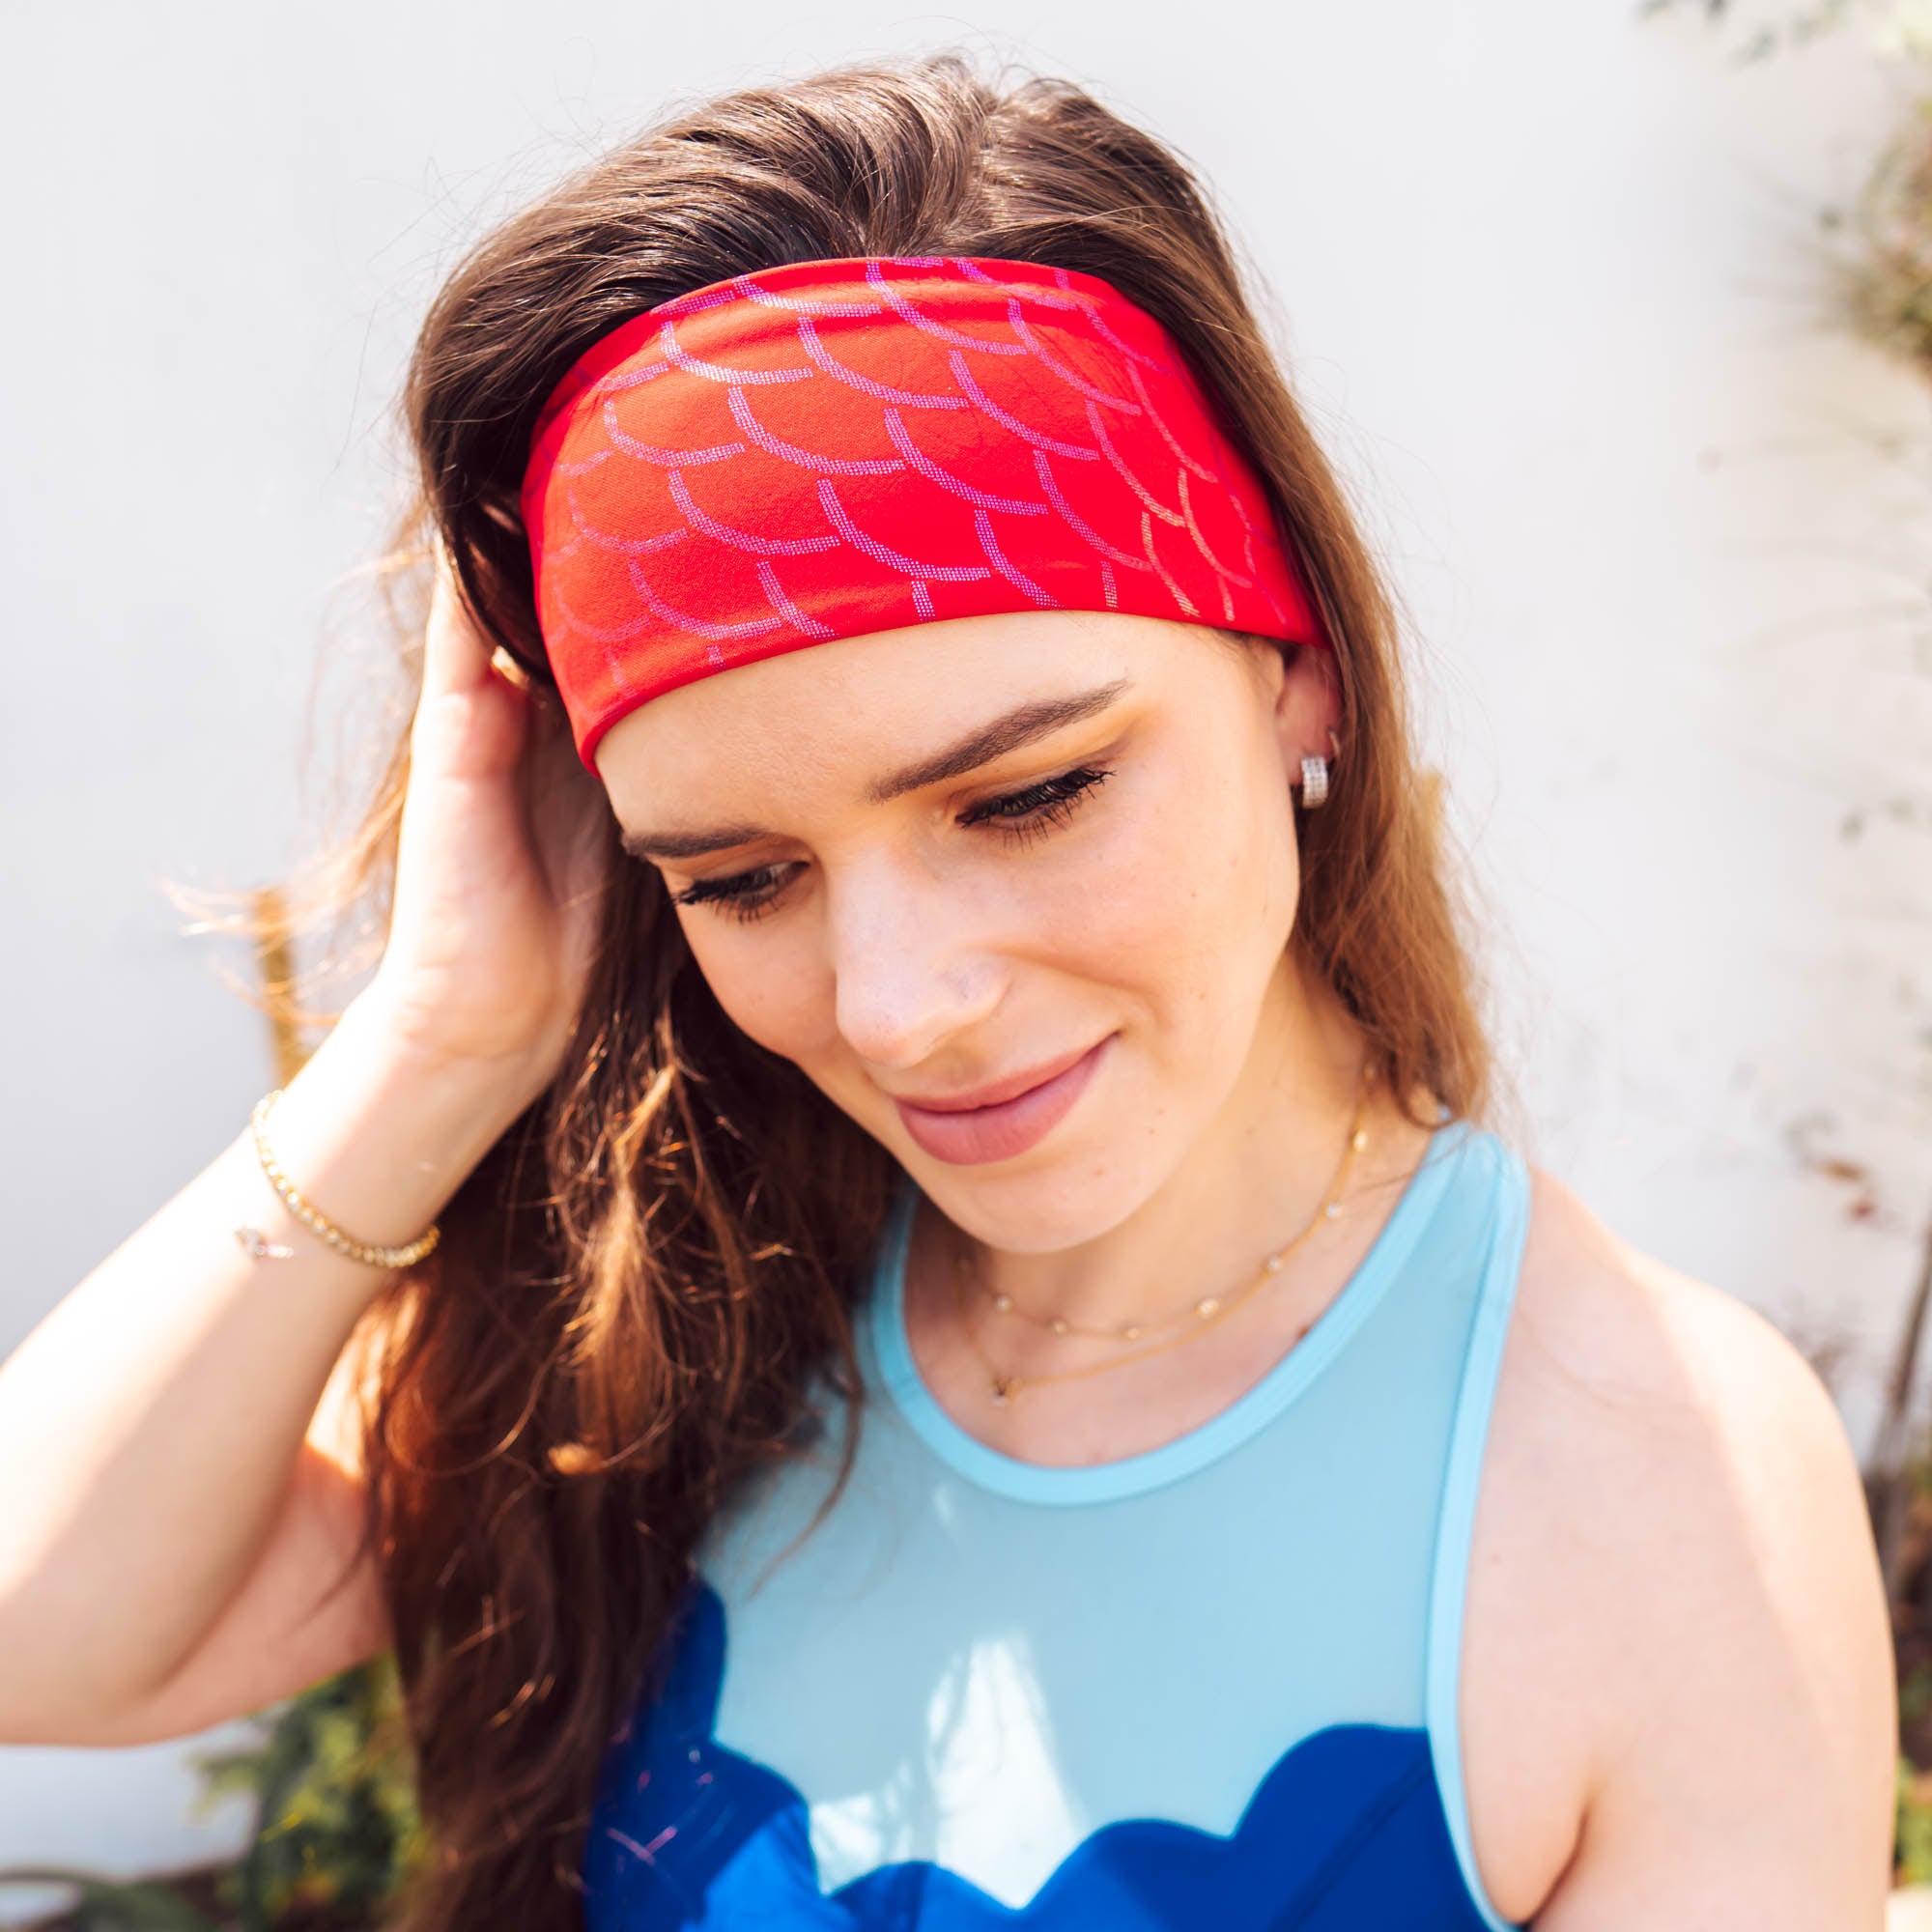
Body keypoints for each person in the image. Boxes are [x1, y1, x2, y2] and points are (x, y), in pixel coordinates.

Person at [0, 49, 1897, 1932]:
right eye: (741, 879)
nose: (900, 1007)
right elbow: (41, 1639)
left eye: (1031, 795)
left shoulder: (1656, 1490)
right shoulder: (663, 1314)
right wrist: (439, 1041)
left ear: (1300, 670)